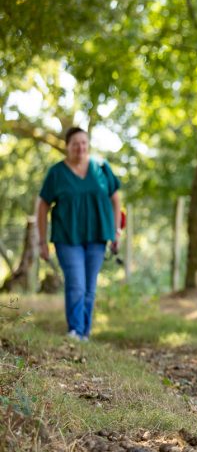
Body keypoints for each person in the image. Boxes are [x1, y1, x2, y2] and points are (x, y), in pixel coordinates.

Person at [37, 126, 122, 341]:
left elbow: (115, 198)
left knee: (89, 286)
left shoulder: (101, 167)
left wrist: (116, 231)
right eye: (75, 143)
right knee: (76, 283)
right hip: (67, 237)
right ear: (67, 147)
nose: (80, 147)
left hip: (98, 235)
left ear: (88, 145)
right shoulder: (57, 173)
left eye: (84, 142)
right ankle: (75, 330)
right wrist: (42, 242)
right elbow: (42, 205)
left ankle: (84, 332)